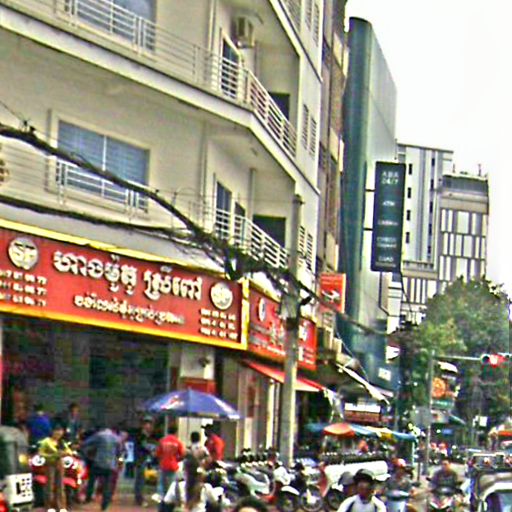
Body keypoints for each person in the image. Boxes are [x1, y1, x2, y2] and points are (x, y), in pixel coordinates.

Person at [83, 425, 123, 511]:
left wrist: (90, 453)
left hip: (98, 462)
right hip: (111, 465)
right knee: (107, 485)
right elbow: (119, 451)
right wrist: (117, 460)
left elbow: (86, 443)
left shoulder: (99, 435)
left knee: (92, 480)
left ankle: (88, 497)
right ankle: (104, 505)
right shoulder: (116, 438)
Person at [38, 422, 73, 512]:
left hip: (60, 464)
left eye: (60, 432)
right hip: (50, 464)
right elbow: (41, 453)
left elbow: (69, 451)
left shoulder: (62, 442)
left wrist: (66, 453)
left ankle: (61, 506)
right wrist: (52, 455)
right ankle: (49, 507)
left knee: (60, 486)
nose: (58, 434)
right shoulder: (46, 442)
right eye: (57, 431)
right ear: (52, 432)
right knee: (50, 486)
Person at [133, 417, 158, 507]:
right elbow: (145, 447)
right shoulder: (141, 436)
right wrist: (152, 451)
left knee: (140, 480)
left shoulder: (145, 436)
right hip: (140, 460)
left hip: (142, 459)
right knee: (140, 480)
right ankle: (139, 499)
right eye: (149, 424)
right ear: (145, 425)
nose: (150, 427)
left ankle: (138, 498)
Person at [156, 424, 186, 497]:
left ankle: (162, 498)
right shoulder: (178, 442)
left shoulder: (162, 440)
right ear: (176, 432)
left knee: (162, 483)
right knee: (172, 484)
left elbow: (158, 454)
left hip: (163, 464)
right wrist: (176, 460)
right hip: (173, 465)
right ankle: (170, 498)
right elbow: (182, 454)